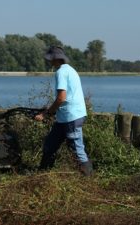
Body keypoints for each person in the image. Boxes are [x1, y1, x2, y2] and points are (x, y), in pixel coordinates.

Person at [35, 46, 93, 176]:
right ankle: (42, 175)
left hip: (71, 117)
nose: (49, 62)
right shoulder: (70, 70)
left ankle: (89, 178)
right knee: (50, 144)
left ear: (55, 59)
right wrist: (51, 110)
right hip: (64, 117)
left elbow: (61, 98)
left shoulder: (61, 72)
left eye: (50, 59)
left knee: (77, 149)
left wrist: (46, 113)